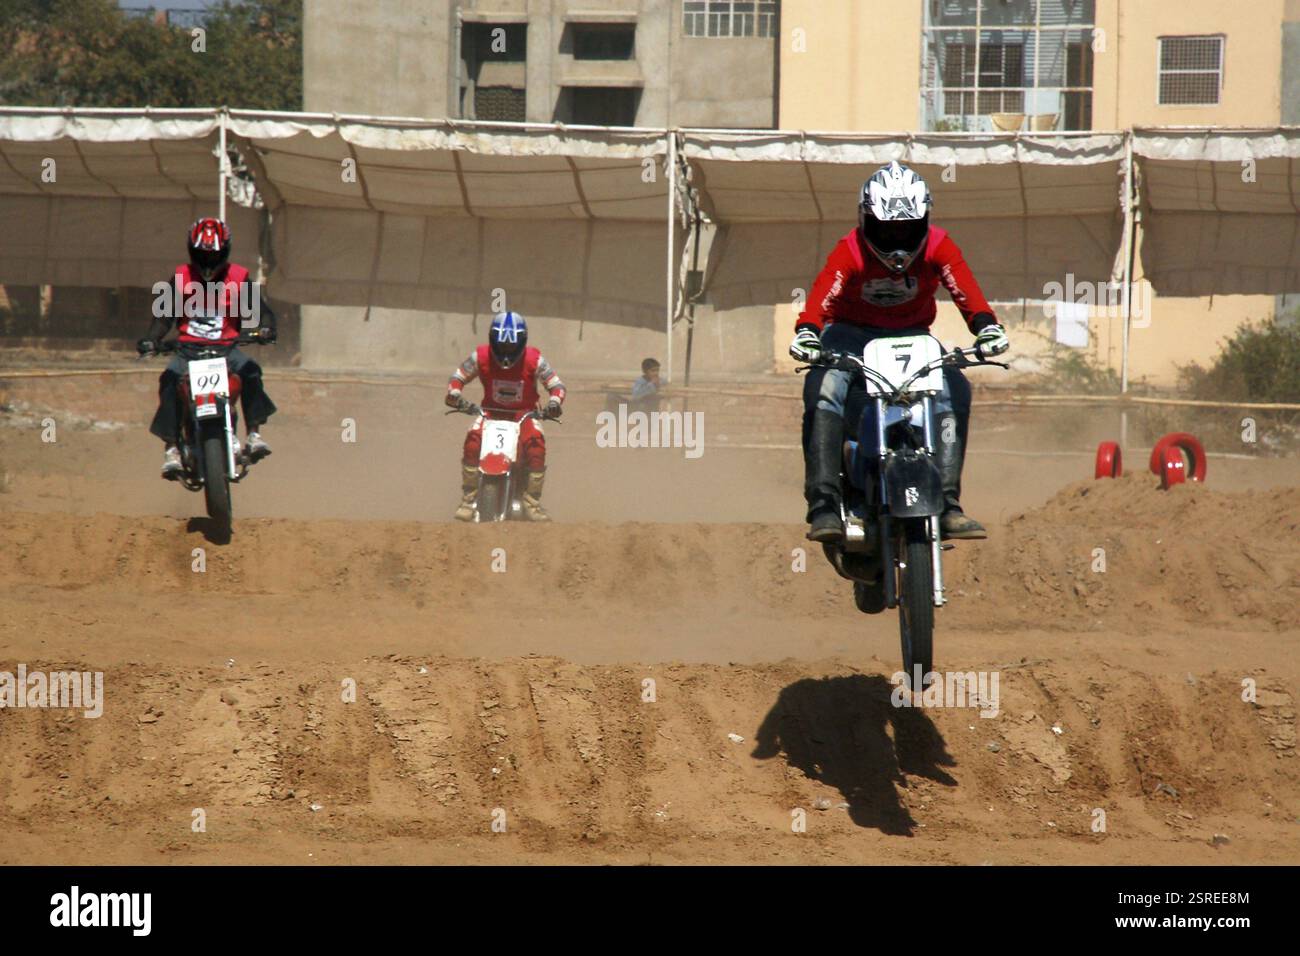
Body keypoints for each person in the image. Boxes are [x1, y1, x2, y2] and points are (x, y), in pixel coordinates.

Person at [789, 161, 1010, 544]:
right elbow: (822, 295)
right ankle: (823, 502)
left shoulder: (940, 245)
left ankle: (947, 501)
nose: (896, 239)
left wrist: (986, 326)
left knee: (955, 388)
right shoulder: (851, 250)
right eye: (886, 228)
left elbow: (966, 291)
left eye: (906, 228)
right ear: (865, 219)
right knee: (823, 388)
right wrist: (808, 333)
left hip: (911, 335)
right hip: (849, 334)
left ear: (924, 219)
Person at [136, 217, 277, 479]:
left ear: (225, 251)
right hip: (188, 351)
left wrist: (266, 329)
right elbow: (163, 317)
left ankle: (254, 434)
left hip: (227, 350)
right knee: (168, 380)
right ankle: (172, 449)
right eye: (202, 255)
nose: (208, 261)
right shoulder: (180, 278)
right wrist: (150, 339)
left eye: (214, 255)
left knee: (251, 371)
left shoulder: (238, 278)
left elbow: (262, 312)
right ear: (192, 251)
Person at [445, 311, 566, 521]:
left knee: (536, 446)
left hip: (524, 414)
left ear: (521, 341)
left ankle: (531, 502)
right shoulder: (480, 356)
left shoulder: (534, 359)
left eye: (511, 345)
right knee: (472, 442)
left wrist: (554, 403)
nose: (506, 350)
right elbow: (458, 376)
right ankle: (469, 498)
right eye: (502, 345)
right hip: (490, 413)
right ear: (493, 339)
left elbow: (556, 385)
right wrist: (454, 393)